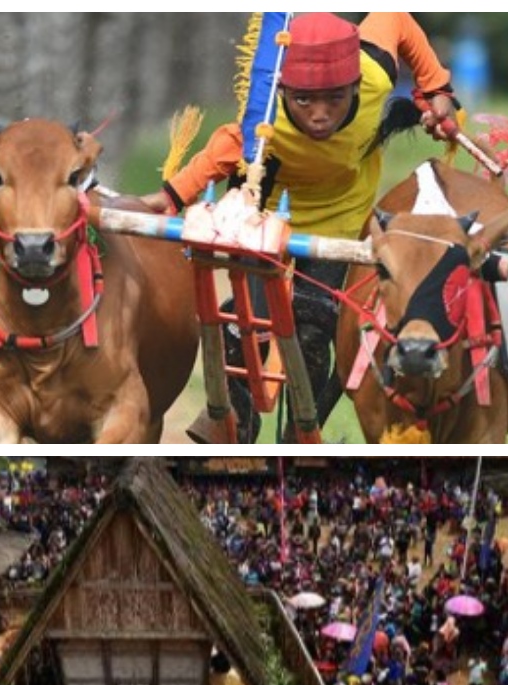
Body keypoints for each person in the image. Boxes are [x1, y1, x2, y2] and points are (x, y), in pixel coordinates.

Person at [141, 12, 459, 443]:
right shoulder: (266, 118)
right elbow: (222, 151)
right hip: (267, 213)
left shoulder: (375, 75)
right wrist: (169, 198)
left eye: (334, 98)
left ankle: (298, 439)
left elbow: (395, 17)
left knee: (312, 328)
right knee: (241, 325)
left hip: (340, 216)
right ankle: (234, 428)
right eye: (304, 100)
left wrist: (436, 88)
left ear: (354, 86)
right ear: (285, 89)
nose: (320, 114)